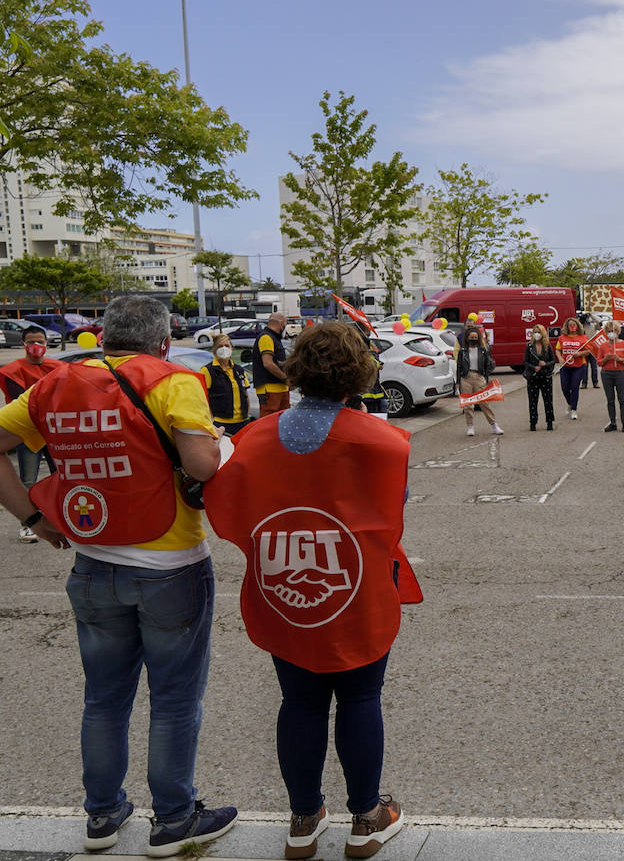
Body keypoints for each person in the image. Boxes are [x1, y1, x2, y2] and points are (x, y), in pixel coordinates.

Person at [0, 295, 235, 856]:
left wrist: (34, 518)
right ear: (162, 341)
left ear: (104, 337)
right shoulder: (173, 380)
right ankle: (175, 818)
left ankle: (103, 815)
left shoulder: (54, 385)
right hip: (170, 566)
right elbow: (202, 466)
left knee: (104, 699)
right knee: (175, 700)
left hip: (92, 561)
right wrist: (225, 446)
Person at [205, 322, 417, 857]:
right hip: (356, 587)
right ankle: (367, 816)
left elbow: (228, 506)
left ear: (297, 370)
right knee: (361, 697)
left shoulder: (253, 438)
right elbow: (396, 504)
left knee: (298, 703)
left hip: (283, 586)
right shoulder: (383, 442)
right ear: (358, 374)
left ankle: (304, 819)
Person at [0, 323, 65, 542]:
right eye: (31, 342)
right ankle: (27, 524)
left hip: (54, 434)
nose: (36, 346)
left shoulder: (58, 367)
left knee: (61, 478)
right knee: (28, 481)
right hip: (28, 434)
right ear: (24, 344)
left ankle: (62, 521)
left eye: (40, 342)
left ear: (46, 343)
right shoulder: (14, 370)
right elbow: (22, 402)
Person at [201, 334, 253, 437]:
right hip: (221, 424)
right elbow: (203, 398)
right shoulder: (207, 371)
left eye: (227, 345)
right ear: (215, 350)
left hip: (243, 422)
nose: (224, 348)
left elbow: (245, 394)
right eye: (220, 346)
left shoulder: (239, 370)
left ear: (232, 349)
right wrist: (211, 421)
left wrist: (247, 414)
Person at [457, 322, 503, 436]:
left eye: (475, 337)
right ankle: (470, 426)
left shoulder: (483, 350)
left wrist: (484, 376)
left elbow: (489, 364)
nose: (473, 339)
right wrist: (458, 382)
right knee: (468, 405)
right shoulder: (462, 351)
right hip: (466, 378)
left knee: (484, 403)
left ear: (478, 338)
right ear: (467, 338)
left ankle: (494, 425)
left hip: (479, 377)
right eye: (471, 337)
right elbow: (459, 366)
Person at [253, 312, 292, 416]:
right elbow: (268, 363)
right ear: (282, 323)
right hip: (270, 389)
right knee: (269, 421)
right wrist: (285, 378)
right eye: (285, 324)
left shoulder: (275, 338)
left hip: (280, 388)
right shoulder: (266, 337)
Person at [597, 320, 624, 432]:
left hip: (620, 373)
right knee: (610, 400)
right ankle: (613, 423)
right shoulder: (603, 346)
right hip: (606, 373)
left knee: (622, 399)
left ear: (618, 331)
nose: (611, 333)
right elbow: (598, 362)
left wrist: (620, 359)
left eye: (613, 331)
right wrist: (605, 359)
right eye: (609, 331)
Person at [555, 317, 589, 420]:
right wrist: (560, 358)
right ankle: (570, 403)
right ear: (567, 326)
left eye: (574, 325)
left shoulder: (583, 337)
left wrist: (579, 353)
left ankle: (574, 409)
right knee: (565, 387)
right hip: (565, 366)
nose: (572, 327)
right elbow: (557, 350)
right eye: (570, 325)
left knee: (574, 387)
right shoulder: (562, 338)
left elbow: (588, 351)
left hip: (579, 366)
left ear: (577, 326)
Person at [524, 324, 556, 431]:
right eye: (535, 332)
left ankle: (550, 422)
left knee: (548, 400)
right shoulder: (529, 346)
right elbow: (525, 362)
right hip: (533, 377)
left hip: (545, 376)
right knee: (533, 400)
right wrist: (533, 367)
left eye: (539, 332)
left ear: (543, 333)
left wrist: (545, 364)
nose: (537, 334)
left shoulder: (547, 346)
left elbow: (553, 360)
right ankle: (533, 422)